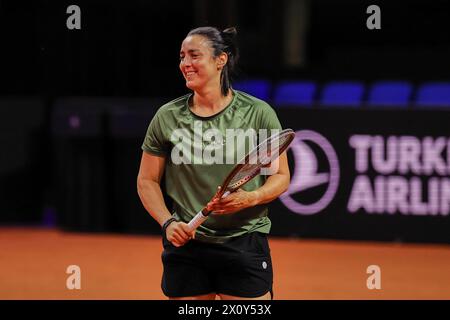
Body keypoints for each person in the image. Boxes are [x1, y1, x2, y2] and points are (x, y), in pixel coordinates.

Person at [137, 26, 290, 300]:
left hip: (243, 243)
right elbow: (146, 180)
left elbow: (280, 177)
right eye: (182, 57)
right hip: (187, 246)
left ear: (221, 60)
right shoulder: (167, 117)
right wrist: (167, 223)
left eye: (194, 55)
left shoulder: (258, 113)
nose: (185, 64)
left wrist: (251, 198)